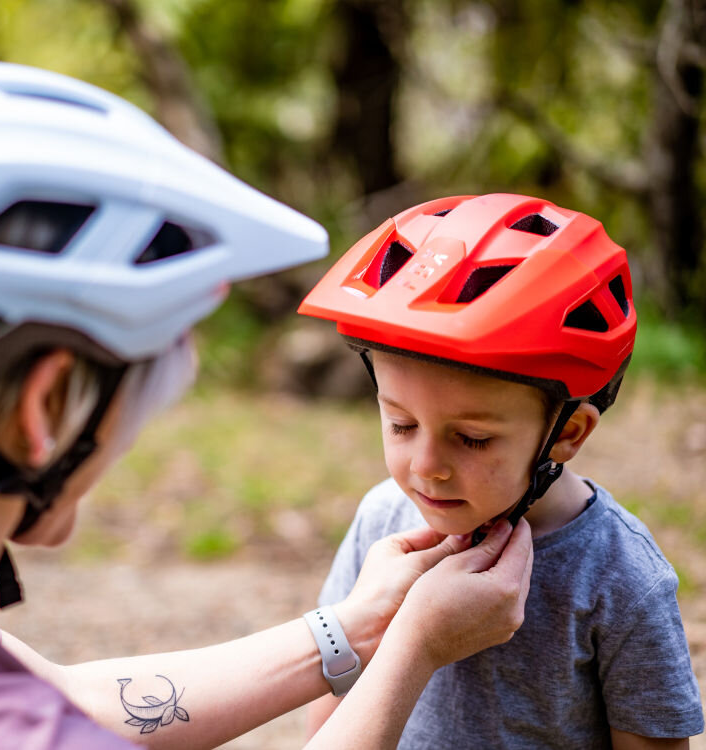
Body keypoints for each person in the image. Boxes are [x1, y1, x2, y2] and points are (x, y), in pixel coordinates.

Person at [0, 62, 532, 750]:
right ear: (46, 405)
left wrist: (354, 629)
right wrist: (412, 650)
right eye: (144, 397)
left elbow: (72, 696)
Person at [300, 193, 704, 749]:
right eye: (400, 424)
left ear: (568, 432)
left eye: (472, 438)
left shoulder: (619, 577)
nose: (426, 467)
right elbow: (327, 723)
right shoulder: (382, 523)